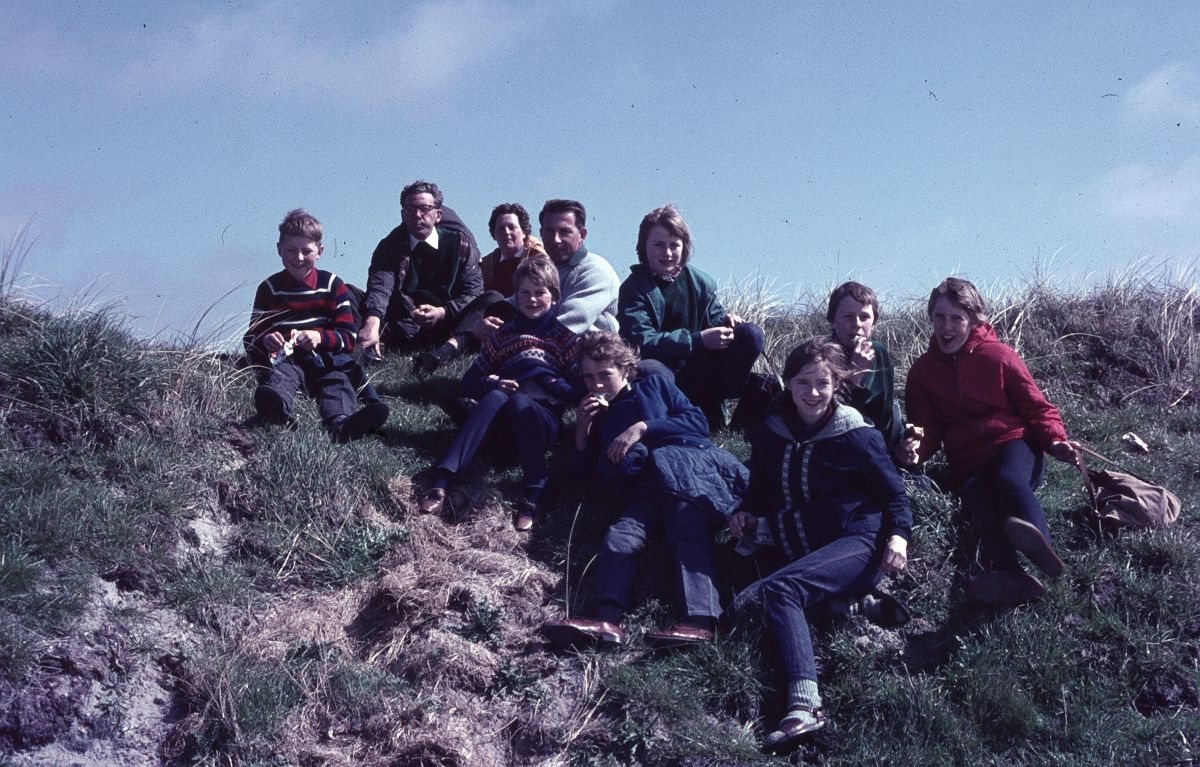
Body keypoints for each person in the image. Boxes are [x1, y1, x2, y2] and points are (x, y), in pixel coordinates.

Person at [727, 339, 910, 752]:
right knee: (740, 606)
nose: (813, 393)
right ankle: (847, 604)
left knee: (779, 590)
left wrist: (898, 537)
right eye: (804, 383)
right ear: (787, 385)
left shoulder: (857, 435)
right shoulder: (771, 434)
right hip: (802, 543)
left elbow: (895, 497)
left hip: (860, 542)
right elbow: (760, 493)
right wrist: (745, 514)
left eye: (822, 383)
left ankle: (804, 708)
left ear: (837, 384)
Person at [541, 332, 749, 649]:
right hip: (645, 490)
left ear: (625, 370)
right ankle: (607, 619)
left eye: (604, 375)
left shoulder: (654, 386)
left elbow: (696, 422)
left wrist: (643, 428)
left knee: (686, 527)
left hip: (686, 470)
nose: (596, 385)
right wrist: (582, 436)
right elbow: (586, 482)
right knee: (619, 538)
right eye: (588, 377)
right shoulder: (597, 417)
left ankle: (701, 621)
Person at [902, 277, 1077, 606]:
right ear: (931, 319)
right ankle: (1010, 574)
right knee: (982, 506)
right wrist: (915, 448)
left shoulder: (1000, 357)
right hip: (968, 461)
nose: (947, 326)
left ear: (973, 320)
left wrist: (1055, 442)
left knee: (1007, 481)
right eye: (940, 317)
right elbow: (922, 426)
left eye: (957, 318)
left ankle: (1042, 547)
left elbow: (1037, 408)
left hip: (1016, 444)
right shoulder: (922, 373)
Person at [418, 258, 579, 531]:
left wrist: (546, 378)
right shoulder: (504, 334)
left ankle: (534, 492)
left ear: (554, 296)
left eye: (540, 292)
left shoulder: (565, 339)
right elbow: (469, 381)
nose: (532, 299)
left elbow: (576, 392)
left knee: (519, 402)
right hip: (502, 420)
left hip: (541, 421)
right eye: (524, 292)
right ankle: (442, 479)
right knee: (495, 396)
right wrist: (492, 383)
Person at [243, 209, 389, 442]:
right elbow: (252, 335)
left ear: (319, 251)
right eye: (291, 250)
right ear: (279, 249)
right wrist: (266, 338)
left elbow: (348, 337)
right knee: (282, 376)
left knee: (337, 382)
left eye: (306, 251)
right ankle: (276, 410)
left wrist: (321, 338)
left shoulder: (333, 285)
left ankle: (342, 424)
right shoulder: (268, 288)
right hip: (287, 357)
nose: (298, 257)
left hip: (328, 359)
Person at [617, 204, 765, 430]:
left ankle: (717, 408)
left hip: (699, 367)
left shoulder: (700, 282)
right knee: (649, 369)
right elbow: (640, 341)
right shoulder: (633, 288)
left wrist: (727, 324)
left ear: (684, 247)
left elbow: (713, 321)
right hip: (662, 369)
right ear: (643, 247)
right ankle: (668, 423)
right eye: (658, 245)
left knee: (750, 334)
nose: (667, 253)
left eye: (674, 245)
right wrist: (697, 340)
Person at [358, 180, 483, 372]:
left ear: (438, 214)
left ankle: (444, 352)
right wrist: (373, 320)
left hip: (448, 324)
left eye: (424, 208)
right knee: (349, 293)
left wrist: (443, 311)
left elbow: (473, 292)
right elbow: (380, 286)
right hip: (404, 325)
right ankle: (358, 356)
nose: (417, 215)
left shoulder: (460, 243)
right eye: (410, 209)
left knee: (491, 299)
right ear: (402, 214)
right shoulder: (389, 246)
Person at [422, 203, 551, 370]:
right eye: (500, 229)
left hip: (517, 321)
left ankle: (448, 349)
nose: (506, 233)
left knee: (493, 297)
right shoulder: (489, 262)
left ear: (524, 231)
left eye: (512, 227)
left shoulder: (535, 255)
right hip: (483, 324)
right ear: (493, 234)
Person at [538, 199, 620, 335]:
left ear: (582, 235)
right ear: (541, 233)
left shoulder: (595, 270)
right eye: (549, 231)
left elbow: (568, 323)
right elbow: (516, 303)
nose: (556, 239)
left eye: (564, 232)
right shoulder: (541, 270)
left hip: (593, 353)